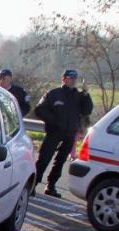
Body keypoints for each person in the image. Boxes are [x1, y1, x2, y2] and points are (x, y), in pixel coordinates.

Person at [33, 69, 93, 197]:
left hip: (69, 134)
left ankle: (51, 186)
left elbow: (87, 110)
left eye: (75, 79)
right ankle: (32, 185)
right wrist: (53, 121)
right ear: (64, 79)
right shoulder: (54, 94)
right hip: (54, 132)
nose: (73, 81)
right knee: (43, 160)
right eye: (70, 78)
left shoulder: (79, 96)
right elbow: (39, 110)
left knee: (60, 162)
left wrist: (86, 94)